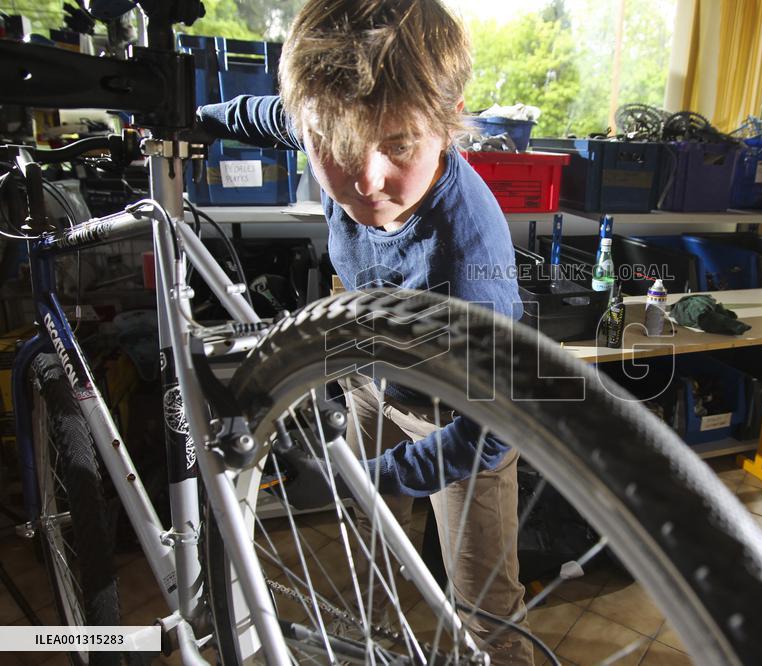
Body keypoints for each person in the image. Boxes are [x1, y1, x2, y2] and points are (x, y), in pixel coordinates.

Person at [196, 0, 532, 662]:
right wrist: (193, 119)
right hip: (374, 376)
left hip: (461, 413)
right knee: (370, 550)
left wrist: (381, 473)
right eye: (332, 146)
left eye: (399, 144)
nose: (365, 177)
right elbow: (263, 115)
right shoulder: (333, 121)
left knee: (484, 605)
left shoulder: (472, 246)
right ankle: (376, 649)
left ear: (449, 116)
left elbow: (491, 433)